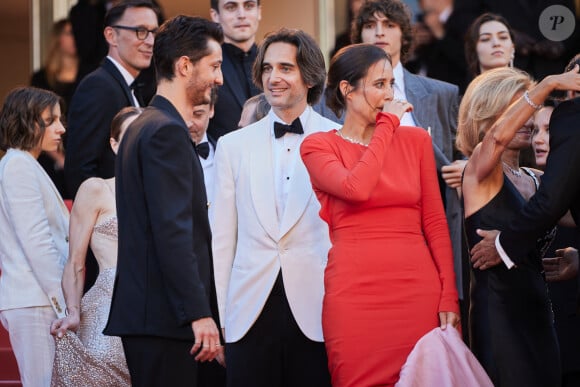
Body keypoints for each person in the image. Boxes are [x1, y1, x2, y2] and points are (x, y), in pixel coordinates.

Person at [300, 43, 460, 387]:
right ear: (347, 90)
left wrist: (448, 293)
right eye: (378, 85)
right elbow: (357, 188)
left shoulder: (415, 141)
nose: (388, 95)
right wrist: (388, 127)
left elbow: (434, 221)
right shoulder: (318, 146)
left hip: (417, 291)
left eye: (391, 84)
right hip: (355, 295)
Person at [103, 16, 224, 387]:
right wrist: (198, 313)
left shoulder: (144, 125)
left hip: (154, 317)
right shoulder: (166, 132)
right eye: (214, 66)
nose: (220, 78)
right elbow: (172, 232)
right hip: (165, 319)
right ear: (184, 65)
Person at [211, 28, 335, 387]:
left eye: (285, 68)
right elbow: (222, 239)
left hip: (318, 311)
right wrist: (222, 318)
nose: (273, 78)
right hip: (247, 312)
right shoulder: (233, 146)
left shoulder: (338, 139)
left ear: (310, 76)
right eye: (267, 68)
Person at [457, 66, 580, 386]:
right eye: (519, 107)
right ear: (488, 113)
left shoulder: (539, 180)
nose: (528, 118)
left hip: (540, 316)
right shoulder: (477, 171)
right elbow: (496, 137)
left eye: (533, 108)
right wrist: (548, 83)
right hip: (498, 319)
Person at [351, 0, 466, 308]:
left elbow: (464, 150)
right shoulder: (334, 99)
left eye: (389, 25)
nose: (379, 33)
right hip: (361, 232)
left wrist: (464, 167)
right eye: (370, 25)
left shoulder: (442, 93)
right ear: (358, 35)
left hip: (428, 232)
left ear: (404, 35)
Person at [64, 1, 158, 293]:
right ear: (111, 35)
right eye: (140, 31)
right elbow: (80, 169)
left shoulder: (133, 87)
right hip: (107, 251)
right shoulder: (99, 86)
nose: (150, 41)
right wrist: (104, 231)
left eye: (154, 32)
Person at [49, 107, 142, 386]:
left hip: (154, 309)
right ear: (114, 144)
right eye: (130, 136)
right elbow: (75, 262)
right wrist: (73, 311)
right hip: (106, 310)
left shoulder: (166, 192)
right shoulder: (96, 189)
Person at [0, 87, 69, 387]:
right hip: (35, 301)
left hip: (38, 300)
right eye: (51, 120)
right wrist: (64, 304)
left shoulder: (26, 163)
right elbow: (37, 242)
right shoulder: (18, 165)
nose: (61, 127)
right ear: (28, 122)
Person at [532, 101, 580, 387]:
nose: (540, 138)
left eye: (549, 130)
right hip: (541, 339)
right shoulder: (522, 187)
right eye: (534, 130)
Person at [31, 18, 79, 200]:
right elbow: (36, 120)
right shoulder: (42, 78)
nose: (75, 38)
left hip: (77, 153)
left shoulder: (87, 74)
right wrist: (59, 159)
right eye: (69, 33)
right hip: (48, 154)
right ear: (59, 38)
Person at [208, 0, 262, 139]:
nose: (241, 15)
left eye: (249, 6)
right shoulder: (206, 67)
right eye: (231, 7)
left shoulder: (275, 64)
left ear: (259, 11)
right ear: (215, 15)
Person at [188, 90, 218, 213]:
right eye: (183, 114)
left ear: (211, 109)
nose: (189, 123)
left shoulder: (226, 155)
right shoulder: (163, 156)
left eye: (197, 114)